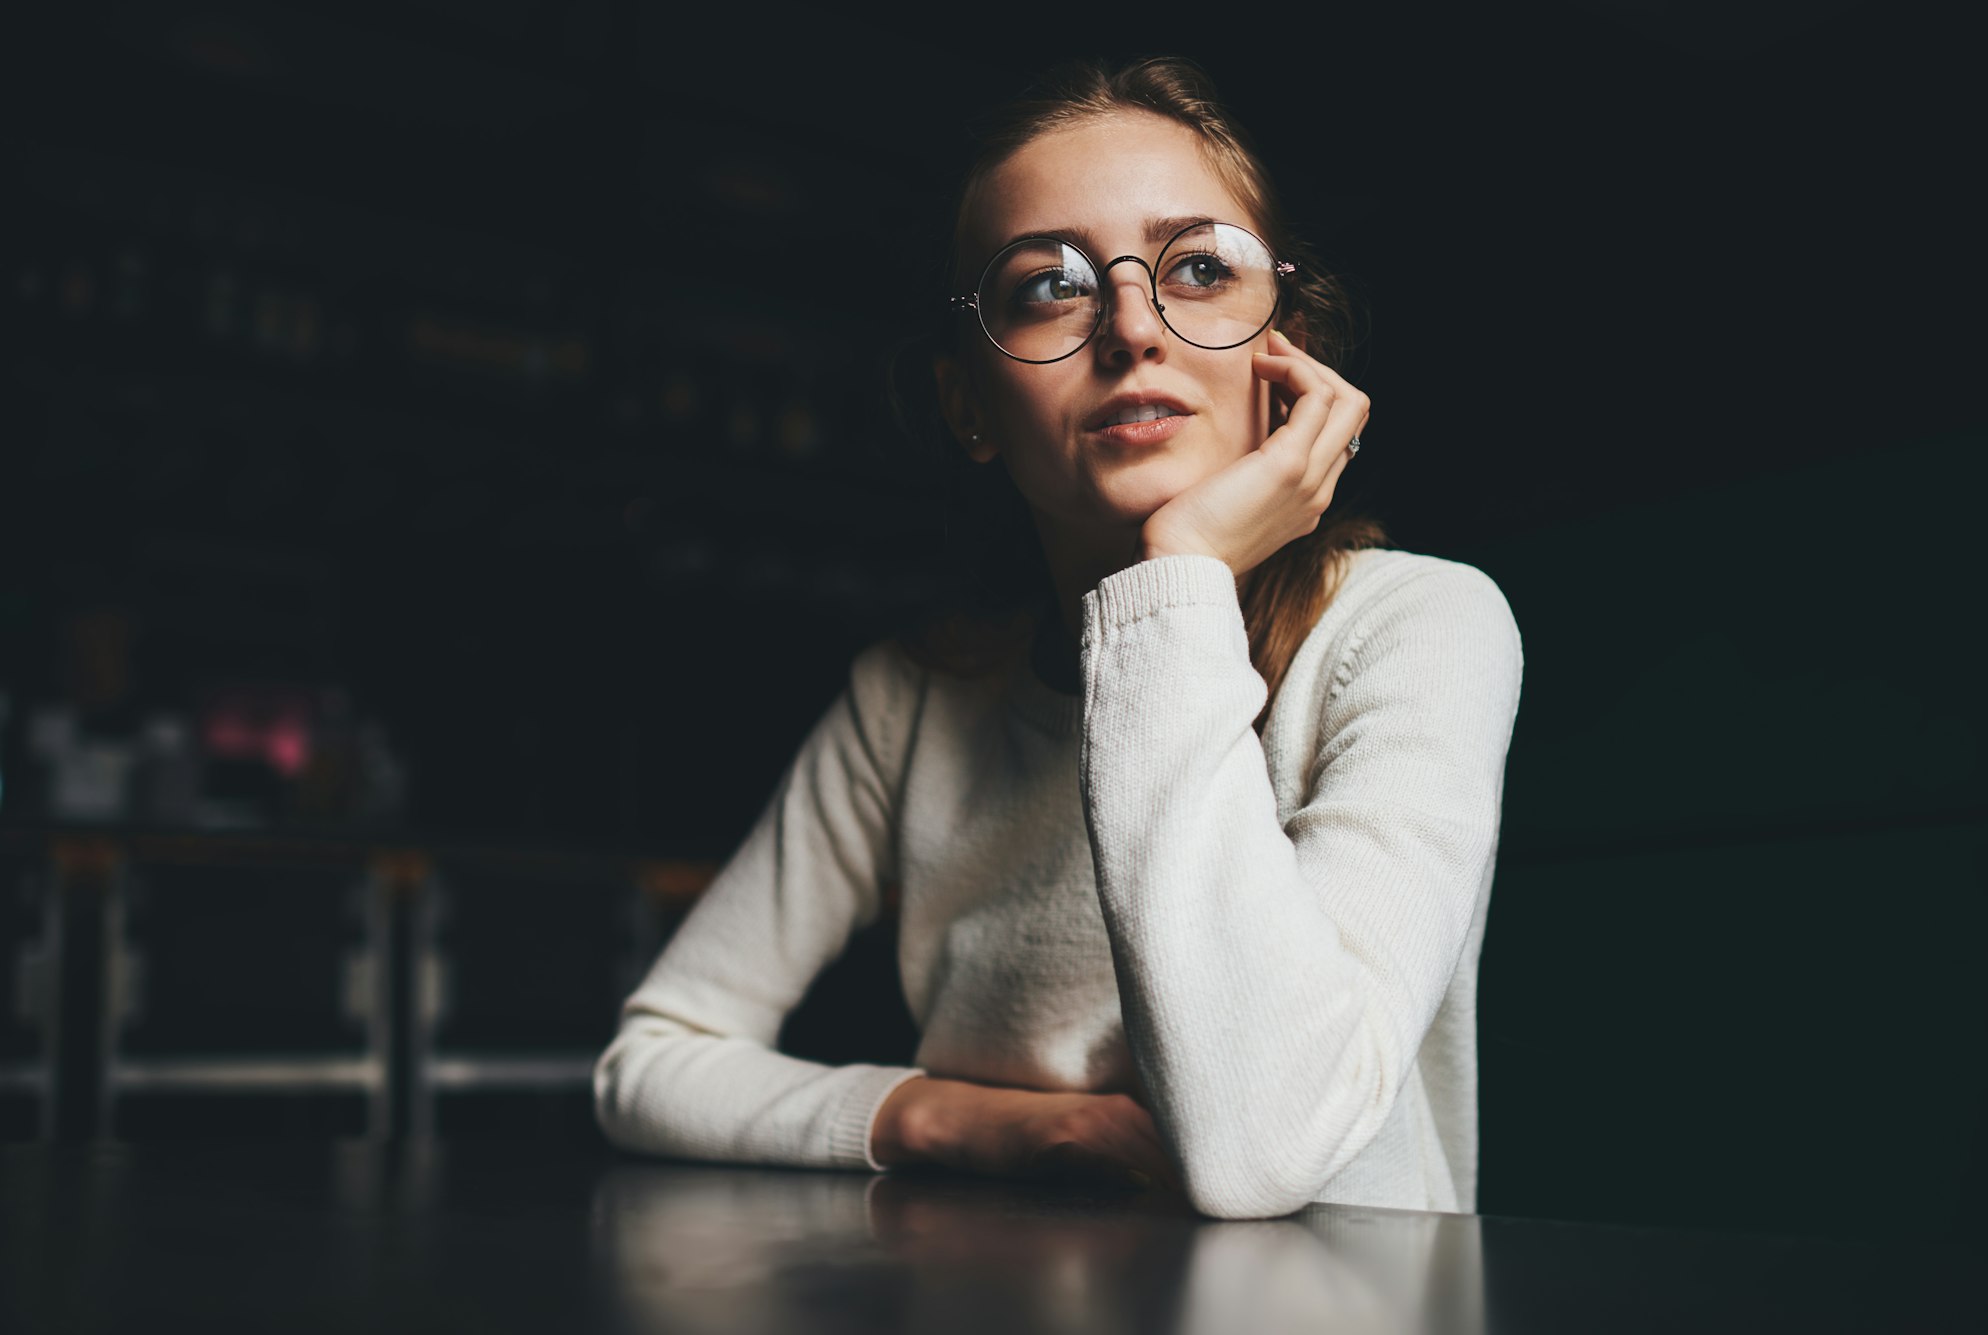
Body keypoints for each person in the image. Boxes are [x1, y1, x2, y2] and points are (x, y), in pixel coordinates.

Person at [594, 55, 1525, 1221]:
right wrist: (975, 1125)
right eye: (1050, 286)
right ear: (966, 406)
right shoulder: (913, 700)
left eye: (1196, 269)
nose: (1133, 327)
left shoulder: (1417, 628)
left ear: (1283, 346)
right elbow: (652, 1062)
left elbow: (1262, 1144)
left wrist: (1174, 576)